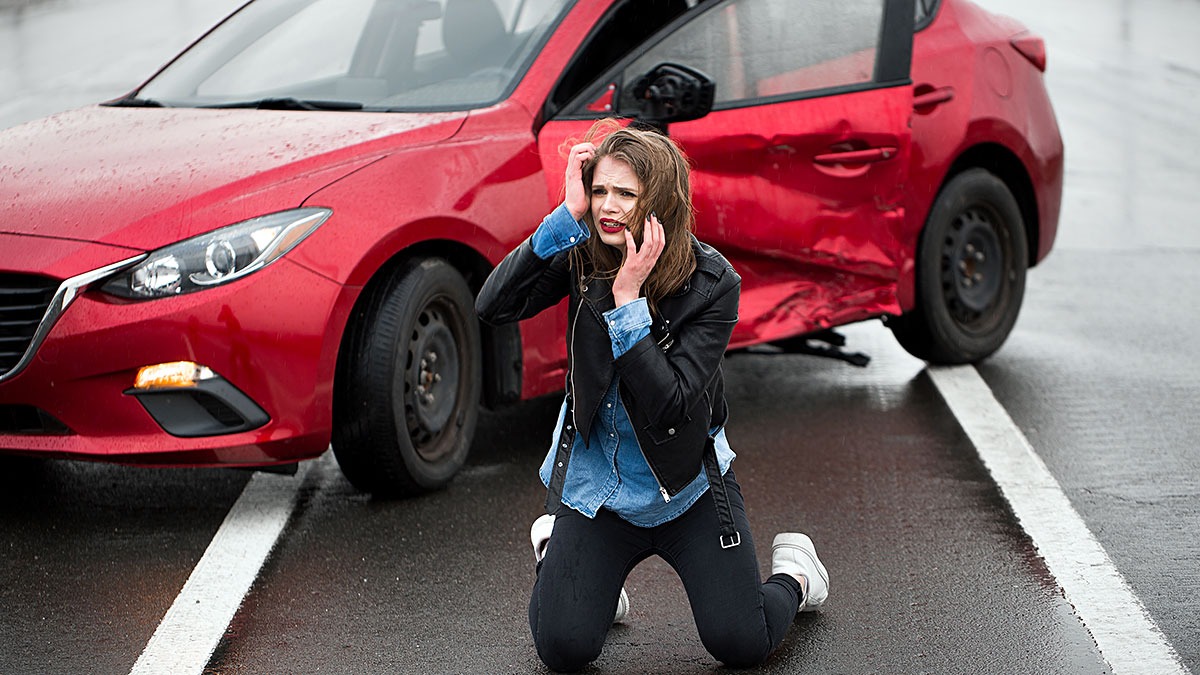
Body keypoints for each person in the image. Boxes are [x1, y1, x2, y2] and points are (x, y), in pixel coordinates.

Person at [475, 120, 828, 671]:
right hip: (598, 493)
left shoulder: (713, 283)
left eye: (625, 194)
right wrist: (565, 218)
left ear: (659, 203)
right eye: (599, 192)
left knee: (741, 643)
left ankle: (798, 574)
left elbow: (671, 403)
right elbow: (492, 306)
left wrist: (628, 303)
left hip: (683, 490)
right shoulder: (583, 251)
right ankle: (575, 565)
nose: (607, 207)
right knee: (564, 648)